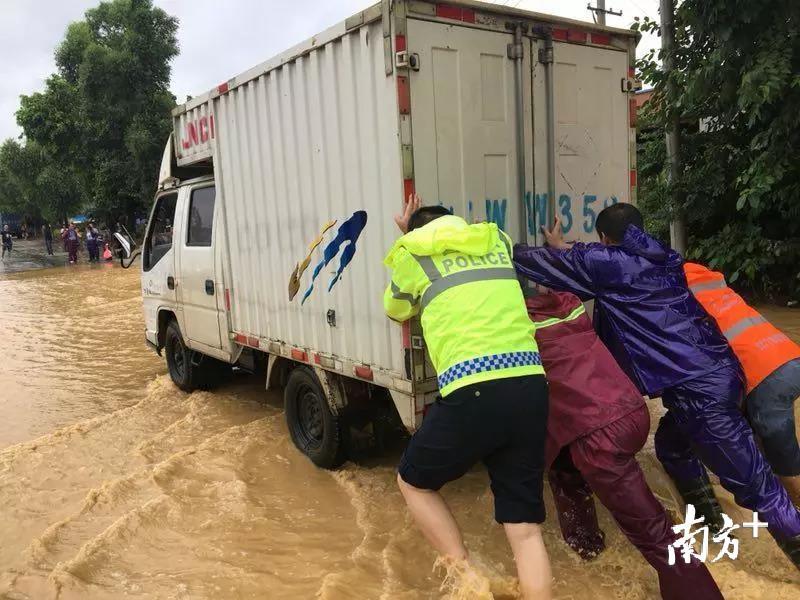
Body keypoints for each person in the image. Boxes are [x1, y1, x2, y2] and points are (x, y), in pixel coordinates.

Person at [513, 203, 800, 567]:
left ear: (604, 238)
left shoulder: (610, 265)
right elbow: (596, 259)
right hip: (720, 373)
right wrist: (564, 247)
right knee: (672, 446)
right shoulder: (663, 256)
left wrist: (493, 243)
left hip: (697, 391)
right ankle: (714, 527)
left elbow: (533, 261)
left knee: (758, 488)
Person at [384, 195, 552, 599]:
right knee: (525, 530)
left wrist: (406, 239)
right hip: (531, 385)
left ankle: (468, 580)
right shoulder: (495, 240)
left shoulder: (413, 252)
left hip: (472, 387)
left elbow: (395, 309)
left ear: (416, 231)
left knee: (413, 481)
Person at [527, 289, 722, 599]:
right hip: (629, 411)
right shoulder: (569, 304)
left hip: (597, 431)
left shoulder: (517, 326)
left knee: (658, 539)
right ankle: (588, 552)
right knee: (563, 468)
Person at [685, 261, 800, 507]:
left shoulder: (677, 294)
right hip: (789, 356)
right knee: (768, 443)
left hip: (765, 376)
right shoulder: (713, 284)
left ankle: (792, 505)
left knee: (787, 468)